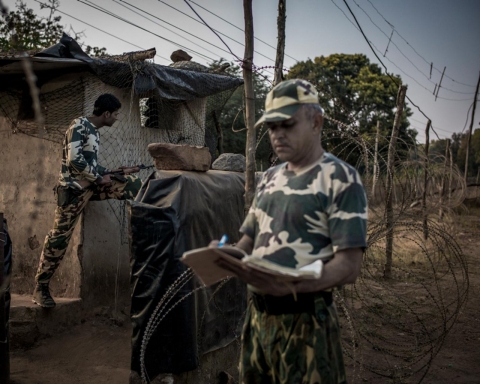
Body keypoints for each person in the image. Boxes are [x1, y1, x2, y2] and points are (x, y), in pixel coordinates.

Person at [211, 79, 368, 383]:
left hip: (307, 324)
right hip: (258, 320)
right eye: (271, 127)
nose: (277, 134)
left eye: (287, 124)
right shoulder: (269, 178)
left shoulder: (340, 178)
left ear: (316, 122)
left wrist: (292, 285)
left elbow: (348, 266)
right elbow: (247, 240)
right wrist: (224, 254)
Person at [33, 93, 142, 308]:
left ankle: (141, 241)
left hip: (91, 186)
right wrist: (99, 177)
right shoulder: (79, 125)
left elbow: (90, 165)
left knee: (132, 184)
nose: (117, 118)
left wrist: (115, 172)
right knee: (58, 239)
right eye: (116, 114)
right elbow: (74, 160)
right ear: (106, 113)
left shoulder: (95, 132)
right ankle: (40, 287)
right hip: (73, 191)